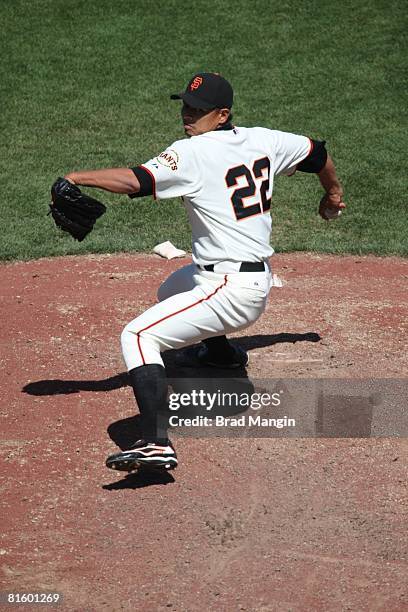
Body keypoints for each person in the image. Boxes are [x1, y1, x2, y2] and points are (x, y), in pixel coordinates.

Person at [64, 72, 345, 472]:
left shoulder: (192, 152)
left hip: (232, 289)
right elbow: (317, 153)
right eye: (185, 105)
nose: (187, 115)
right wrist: (333, 193)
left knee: (137, 335)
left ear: (222, 114)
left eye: (198, 109)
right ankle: (220, 355)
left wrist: (76, 178)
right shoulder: (264, 139)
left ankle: (156, 443)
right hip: (240, 279)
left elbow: (135, 181)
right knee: (170, 291)